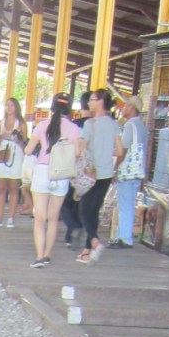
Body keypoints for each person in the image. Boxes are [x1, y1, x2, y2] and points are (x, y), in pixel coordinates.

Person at [24, 92, 80, 268]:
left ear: (52, 107)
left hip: (42, 172)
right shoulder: (73, 128)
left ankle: (39, 256)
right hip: (61, 174)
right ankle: (48, 254)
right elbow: (78, 152)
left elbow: (28, 150)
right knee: (53, 218)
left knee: (40, 218)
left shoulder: (42, 125)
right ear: (68, 109)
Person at [76, 90, 118, 264]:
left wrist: (75, 146)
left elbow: (81, 149)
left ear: (100, 101)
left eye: (92, 99)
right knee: (93, 211)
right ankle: (87, 251)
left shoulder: (89, 123)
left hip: (91, 173)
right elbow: (120, 151)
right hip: (106, 174)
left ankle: (95, 242)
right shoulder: (114, 124)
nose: (89, 103)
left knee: (84, 211)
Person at [113, 94, 149, 248]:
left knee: (125, 206)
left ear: (132, 108)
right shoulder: (142, 126)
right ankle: (124, 236)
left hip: (127, 171)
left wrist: (115, 168)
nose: (123, 108)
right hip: (137, 171)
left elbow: (123, 150)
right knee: (129, 204)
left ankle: (125, 239)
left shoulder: (130, 125)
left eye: (126, 105)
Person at [0, 98, 27, 228]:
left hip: (16, 154)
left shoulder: (21, 123)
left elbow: (25, 142)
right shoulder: (1, 123)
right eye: (7, 105)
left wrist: (18, 139)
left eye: (11, 105)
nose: (9, 108)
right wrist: (1, 137)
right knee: (1, 187)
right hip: (2, 153)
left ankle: (11, 217)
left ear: (16, 107)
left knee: (13, 187)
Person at [61, 92, 91, 248]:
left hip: (71, 165)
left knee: (66, 201)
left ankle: (72, 228)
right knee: (82, 202)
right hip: (89, 168)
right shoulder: (96, 125)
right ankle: (74, 232)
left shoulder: (74, 125)